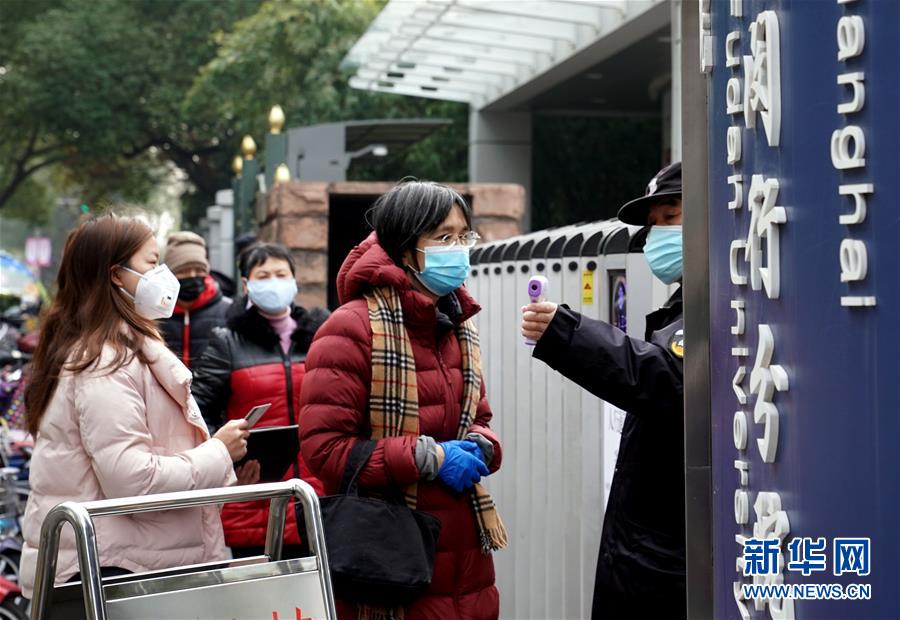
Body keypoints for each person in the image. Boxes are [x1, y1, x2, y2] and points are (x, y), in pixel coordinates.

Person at [299, 180, 506, 619]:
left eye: (463, 235)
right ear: (405, 249)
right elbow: (325, 450)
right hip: (391, 558)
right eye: (443, 237)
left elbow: (479, 416)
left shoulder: (456, 324)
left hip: (466, 554)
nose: (458, 248)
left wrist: (483, 446)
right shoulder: (350, 329)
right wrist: (427, 456)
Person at [19, 214, 255, 598]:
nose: (163, 275)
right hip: (112, 570)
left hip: (127, 562)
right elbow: (133, 480)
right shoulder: (105, 361)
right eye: (151, 262)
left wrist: (224, 466)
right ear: (117, 275)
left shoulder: (119, 350)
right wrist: (217, 453)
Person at [521, 161, 686, 619]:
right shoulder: (684, 301)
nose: (658, 236)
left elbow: (670, 381)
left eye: (671, 217)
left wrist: (568, 332)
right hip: (651, 555)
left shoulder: (724, 302)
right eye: (654, 225)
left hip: (666, 562)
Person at [192, 242, 329, 558]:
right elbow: (199, 412)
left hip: (315, 493)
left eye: (281, 274)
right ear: (246, 284)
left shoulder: (320, 336)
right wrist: (227, 455)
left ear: (294, 281)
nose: (274, 283)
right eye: (263, 275)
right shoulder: (227, 341)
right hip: (252, 492)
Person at [158, 231, 232, 369]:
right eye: (183, 271)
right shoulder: (154, 313)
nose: (192, 276)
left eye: (199, 270)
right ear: (170, 274)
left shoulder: (227, 310)